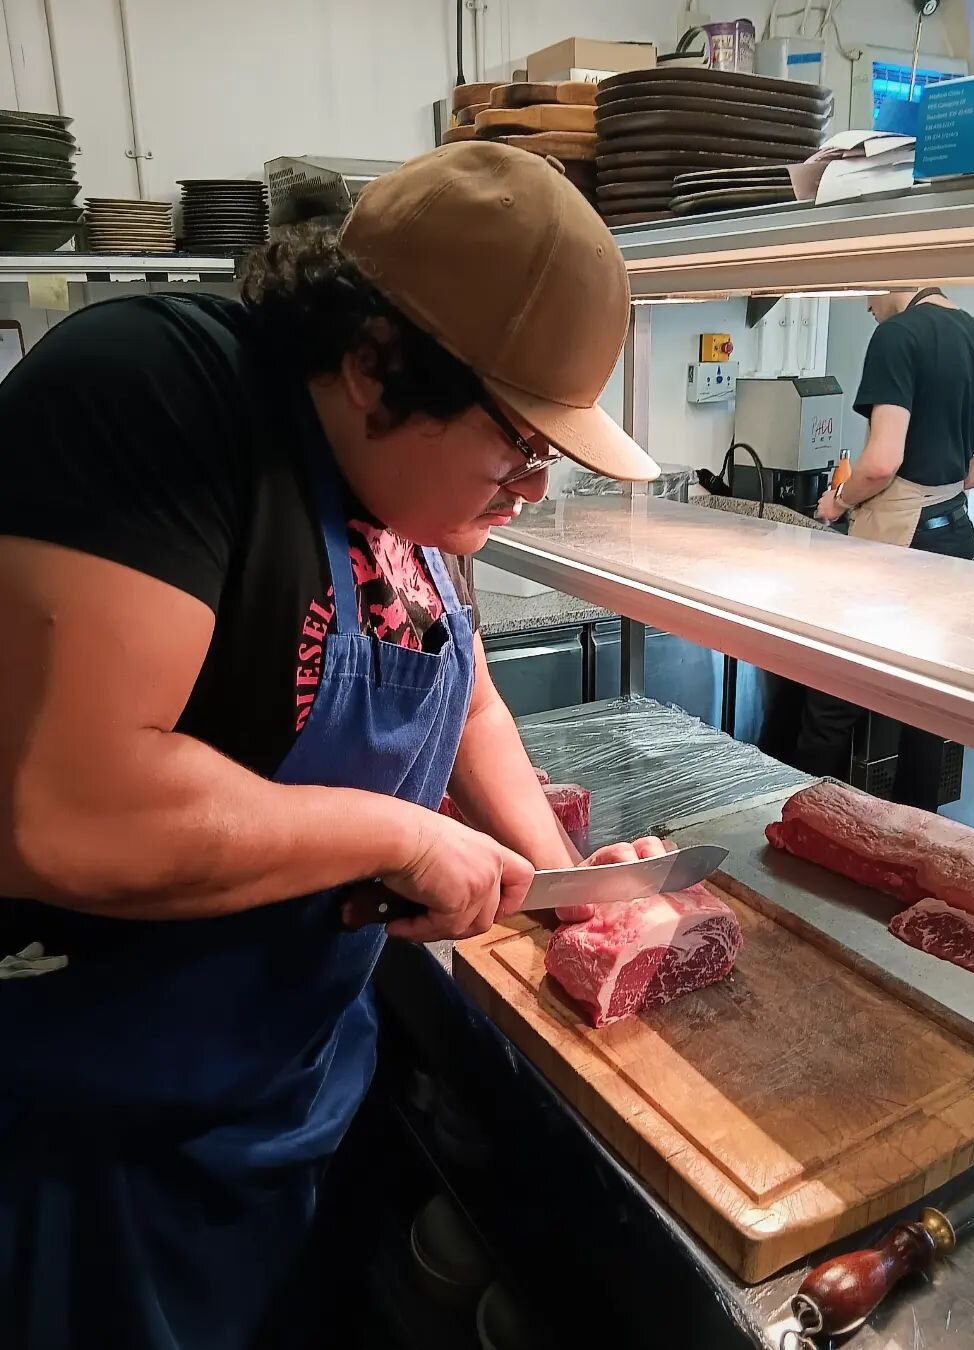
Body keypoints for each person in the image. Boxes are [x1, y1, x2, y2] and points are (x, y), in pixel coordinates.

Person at [0, 142, 663, 1348]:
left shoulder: (415, 489)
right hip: (101, 1127)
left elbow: (464, 698)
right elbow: (66, 806)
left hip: (295, 1079)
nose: (528, 487)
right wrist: (401, 834)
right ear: (374, 365)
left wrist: (569, 887)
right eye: (517, 442)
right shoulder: (156, 396)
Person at [799, 285, 974, 809]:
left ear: (891, 271)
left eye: (865, 287)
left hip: (897, 544)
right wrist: (941, 482)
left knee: (836, 689)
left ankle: (801, 822)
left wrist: (836, 500)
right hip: (954, 540)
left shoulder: (897, 336)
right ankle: (916, 841)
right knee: (926, 705)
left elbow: (880, 462)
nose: (864, 302)